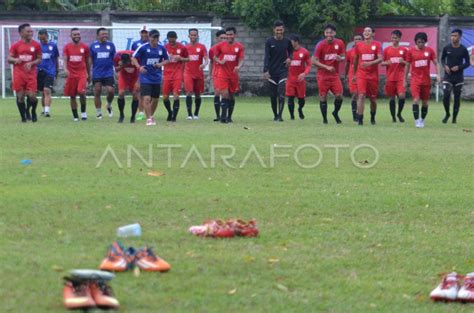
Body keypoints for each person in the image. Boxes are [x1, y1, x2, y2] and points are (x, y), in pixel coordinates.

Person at [132, 29, 169, 126]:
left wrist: (160, 64)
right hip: (145, 77)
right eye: (153, 38)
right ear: (149, 37)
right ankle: (149, 119)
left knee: (155, 99)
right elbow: (133, 58)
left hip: (156, 77)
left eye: (156, 38)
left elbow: (167, 60)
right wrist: (139, 67)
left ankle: (151, 115)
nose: (154, 41)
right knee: (147, 98)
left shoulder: (162, 48)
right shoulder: (143, 47)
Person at [404, 32, 441, 128]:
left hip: (426, 81)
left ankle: (422, 120)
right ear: (415, 42)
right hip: (415, 80)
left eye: (423, 42)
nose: (421, 44)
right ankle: (417, 121)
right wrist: (404, 79)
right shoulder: (410, 51)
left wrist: (438, 75)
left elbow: (436, 63)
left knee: (425, 103)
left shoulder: (430, 51)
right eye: (419, 42)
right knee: (416, 100)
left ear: (425, 42)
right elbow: (407, 65)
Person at [8, 23, 41, 122]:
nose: (31, 33)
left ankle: (32, 111)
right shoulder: (16, 45)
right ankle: (23, 118)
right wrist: (15, 60)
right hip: (19, 74)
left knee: (32, 97)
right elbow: (9, 59)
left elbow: (39, 59)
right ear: (21, 33)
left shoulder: (36, 45)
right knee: (21, 97)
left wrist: (32, 63)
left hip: (31, 74)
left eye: (31, 31)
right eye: (28, 31)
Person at [313, 24, 345, 124]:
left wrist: (341, 58)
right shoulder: (320, 45)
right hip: (322, 75)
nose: (329, 34)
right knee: (323, 96)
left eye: (331, 32)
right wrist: (326, 67)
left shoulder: (339, 43)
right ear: (324, 33)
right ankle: (325, 119)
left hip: (334, 75)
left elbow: (343, 56)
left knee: (339, 95)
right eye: (327, 32)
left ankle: (335, 112)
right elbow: (314, 61)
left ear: (334, 33)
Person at [213, 27, 245, 123]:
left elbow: (241, 59)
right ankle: (223, 117)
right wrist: (220, 61)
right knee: (225, 94)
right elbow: (214, 57)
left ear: (235, 35)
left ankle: (229, 117)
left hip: (233, 74)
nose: (229, 36)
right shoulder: (220, 45)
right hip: (222, 74)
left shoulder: (239, 46)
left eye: (231, 34)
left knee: (231, 95)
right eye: (227, 35)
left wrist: (239, 66)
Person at [352, 26, 383, 125]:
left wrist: (369, 63)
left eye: (369, 31)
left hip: (373, 76)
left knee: (373, 99)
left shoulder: (377, 44)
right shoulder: (359, 45)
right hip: (361, 74)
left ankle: (372, 117)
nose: (366, 32)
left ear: (373, 34)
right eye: (365, 31)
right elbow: (356, 60)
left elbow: (380, 59)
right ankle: (360, 119)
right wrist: (354, 74)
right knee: (361, 95)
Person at [263, 20, 293, 121]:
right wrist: (265, 70)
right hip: (272, 71)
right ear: (274, 30)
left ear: (283, 30)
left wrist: (290, 58)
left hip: (283, 71)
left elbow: (291, 52)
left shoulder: (287, 41)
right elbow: (266, 56)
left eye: (281, 30)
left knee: (281, 93)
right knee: (273, 95)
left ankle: (280, 116)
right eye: (277, 30)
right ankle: (275, 114)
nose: (279, 32)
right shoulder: (269, 42)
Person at [440, 29, 470, 124]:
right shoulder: (447, 48)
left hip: (458, 77)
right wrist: (445, 66)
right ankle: (447, 113)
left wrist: (459, 67)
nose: (453, 37)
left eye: (455, 36)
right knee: (446, 95)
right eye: (452, 35)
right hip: (448, 76)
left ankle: (454, 118)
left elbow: (468, 63)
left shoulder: (463, 49)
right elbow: (442, 59)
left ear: (460, 37)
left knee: (457, 98)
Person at [63, 28, 91, 121]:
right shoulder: (67, 47)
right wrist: (65, 69)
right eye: (74, 34)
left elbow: (87, 62)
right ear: (71, 36)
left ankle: (83, 112)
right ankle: (75, 116)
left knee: (81, 92)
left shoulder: (85, 47)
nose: (77, 36)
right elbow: (65, 59)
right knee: (72, 95)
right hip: (71, 75)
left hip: (81, 74)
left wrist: (89, 74)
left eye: (78, 34)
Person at [382, 29, 408, 123]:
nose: (393, 39)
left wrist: (403, 62)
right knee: (392, 98)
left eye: (395, 38)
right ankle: (393, 117)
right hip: (390, 77)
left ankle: (399, 114)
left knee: (402, 96)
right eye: (392, 37)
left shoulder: (404, 50)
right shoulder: (386, 50)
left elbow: (408, 63)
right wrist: (386, 63)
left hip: (400, 77)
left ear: (399, 38)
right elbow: (381, 63)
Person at [89, 27, 116, 119]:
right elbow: (90, 59)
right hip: (97, 73)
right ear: (98, 35)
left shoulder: (111, 45)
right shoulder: (93, 46)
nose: (105, 35)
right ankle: (99, 112)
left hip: (108, 72)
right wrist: (89, 72)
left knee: (111, 91)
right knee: (97, 91)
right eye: (103, 34)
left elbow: (114, 59)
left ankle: (108, 104)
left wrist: (116, 70)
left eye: (106, 34)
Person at [163, 31, 189, 122]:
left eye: (173, 40)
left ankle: (174, 117)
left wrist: (181, 58)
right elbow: (160, 58)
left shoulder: (182, 47)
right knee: (165, 97)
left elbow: (188, 58)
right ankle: (170, 112)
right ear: (167, 39)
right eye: (170, 41)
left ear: (176, 38)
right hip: (166, 74)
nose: (171, 42)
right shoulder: (164, 48)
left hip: (177, 74)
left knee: (176, 95)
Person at [184, 28, 208, 120]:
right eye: (191, 35)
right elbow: (182, 60)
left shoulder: (202, 47)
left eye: (195, 35)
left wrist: (204, 64)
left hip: (198, 73)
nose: (193, 36)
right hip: (188, 73)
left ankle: (196, 113)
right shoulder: (185, 47)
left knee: (198, 94)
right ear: (189, 36)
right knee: (189, 92)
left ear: (197, 36)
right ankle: (189, 114)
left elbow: (206, 58)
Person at [286, 34, 311, 120]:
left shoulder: (304, 52)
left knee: (301, 100)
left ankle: (300, 109)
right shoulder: (287, 52)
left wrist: (304, 73)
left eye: (291, 42)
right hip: (290, 80)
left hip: (300, 80)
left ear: (296, 42)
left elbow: (309, 65)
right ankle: (292, 116)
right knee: (290, 98)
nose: (289, 44)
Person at [37, 29, 59, 118]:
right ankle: (43, 109)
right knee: (42, 92)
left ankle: (47, 111)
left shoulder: (53, 45)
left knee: (47, 90)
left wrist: (57, 71)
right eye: (40, 39)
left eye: (43, 38)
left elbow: (56, 59)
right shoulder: (37, 46)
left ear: (47, 36)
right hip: (39, 71)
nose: (42, 40)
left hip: (50, 71)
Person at [114, 50, 140, 123]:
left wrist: (139, 81)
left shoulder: (136, 56)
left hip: (135, 76)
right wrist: (120, 66)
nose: (127, 64)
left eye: (127, 62)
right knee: (121, 93)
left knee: (135, 94)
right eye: (125, 63)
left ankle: (133, 116)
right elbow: (116, 70)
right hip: (124, 76)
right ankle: (121, 114)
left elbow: (141, 69)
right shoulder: (117, 56)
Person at [131, 26, 149, 121]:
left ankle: (149, 112)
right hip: (139, 71)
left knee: (149, 93)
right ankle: (141, 112)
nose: (144, 34)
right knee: (138, 91)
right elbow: (133, 57)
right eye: (143, 32)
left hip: (150, 71)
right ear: (140, 33)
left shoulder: (153, 44)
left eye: (146, 32)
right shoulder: (135, 44)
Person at [208, 30, 227, 121]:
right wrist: (209, 74)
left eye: (225, 38)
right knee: (217, 93)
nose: (223, 40)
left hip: (227, 74)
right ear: (217, 38)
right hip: (216, 73)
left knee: (226, 94)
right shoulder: (212, 49)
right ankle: (218, 115)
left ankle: (225, 115)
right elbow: (211, 62)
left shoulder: (229, 48)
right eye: (221, 38)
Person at [345, 34, 363, 121]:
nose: (358, 40)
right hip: (353, 74)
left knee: (361, 95)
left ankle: (359, 114)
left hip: (362, 74)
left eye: (359, 39)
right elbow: (347, 64)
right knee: (355, 94)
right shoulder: (349, 52)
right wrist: (345, 75)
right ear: (354, 41)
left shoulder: (365, 51)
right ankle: (354, 114)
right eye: (356, 39)